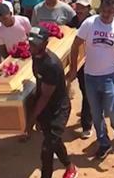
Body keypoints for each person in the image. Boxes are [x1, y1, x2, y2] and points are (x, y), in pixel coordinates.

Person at [68, 0, 114, 159]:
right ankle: (104, 142)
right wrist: (73, 68)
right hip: (90, 76)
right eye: (103, 11)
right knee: (96, 112)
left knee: (111, 110)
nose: (105, 14)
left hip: (109, 76)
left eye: (109, 12)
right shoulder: (89, 23)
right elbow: (75, 45)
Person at [24, 27, 79, 178]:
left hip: (58, 110)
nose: (31, 46)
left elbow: (45, 97)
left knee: (47, 150)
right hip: (46, 109)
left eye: (35, 44)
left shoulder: (51, 65)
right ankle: (70, 166)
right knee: (53, 141)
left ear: (45, 43)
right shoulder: (36, 56)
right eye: (30, 43)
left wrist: (31, 119)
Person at [66, 0, 93, 139]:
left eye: (83, 7)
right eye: (78, 7)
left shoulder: (94, 22)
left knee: (88, 92)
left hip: (92, 62)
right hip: (77, 62)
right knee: (86, 91)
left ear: (89, 8)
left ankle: (87, 124)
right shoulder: (72, 22)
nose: (79, 10)